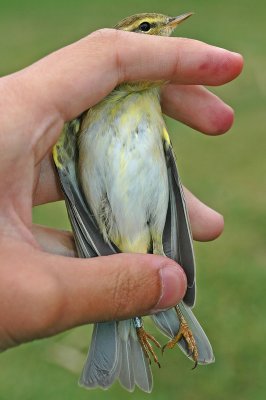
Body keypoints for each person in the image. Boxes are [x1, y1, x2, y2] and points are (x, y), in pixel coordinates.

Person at [0, 28, 243, 351]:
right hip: (107, 232)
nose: (161, 30)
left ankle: (172, 319)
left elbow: (167, 182)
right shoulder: (74, 125)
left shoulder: (150, 105)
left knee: (157, 248)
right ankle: (137, 327)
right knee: (130, 257)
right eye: (146, 27)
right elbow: (78, 199)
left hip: (153, 231)